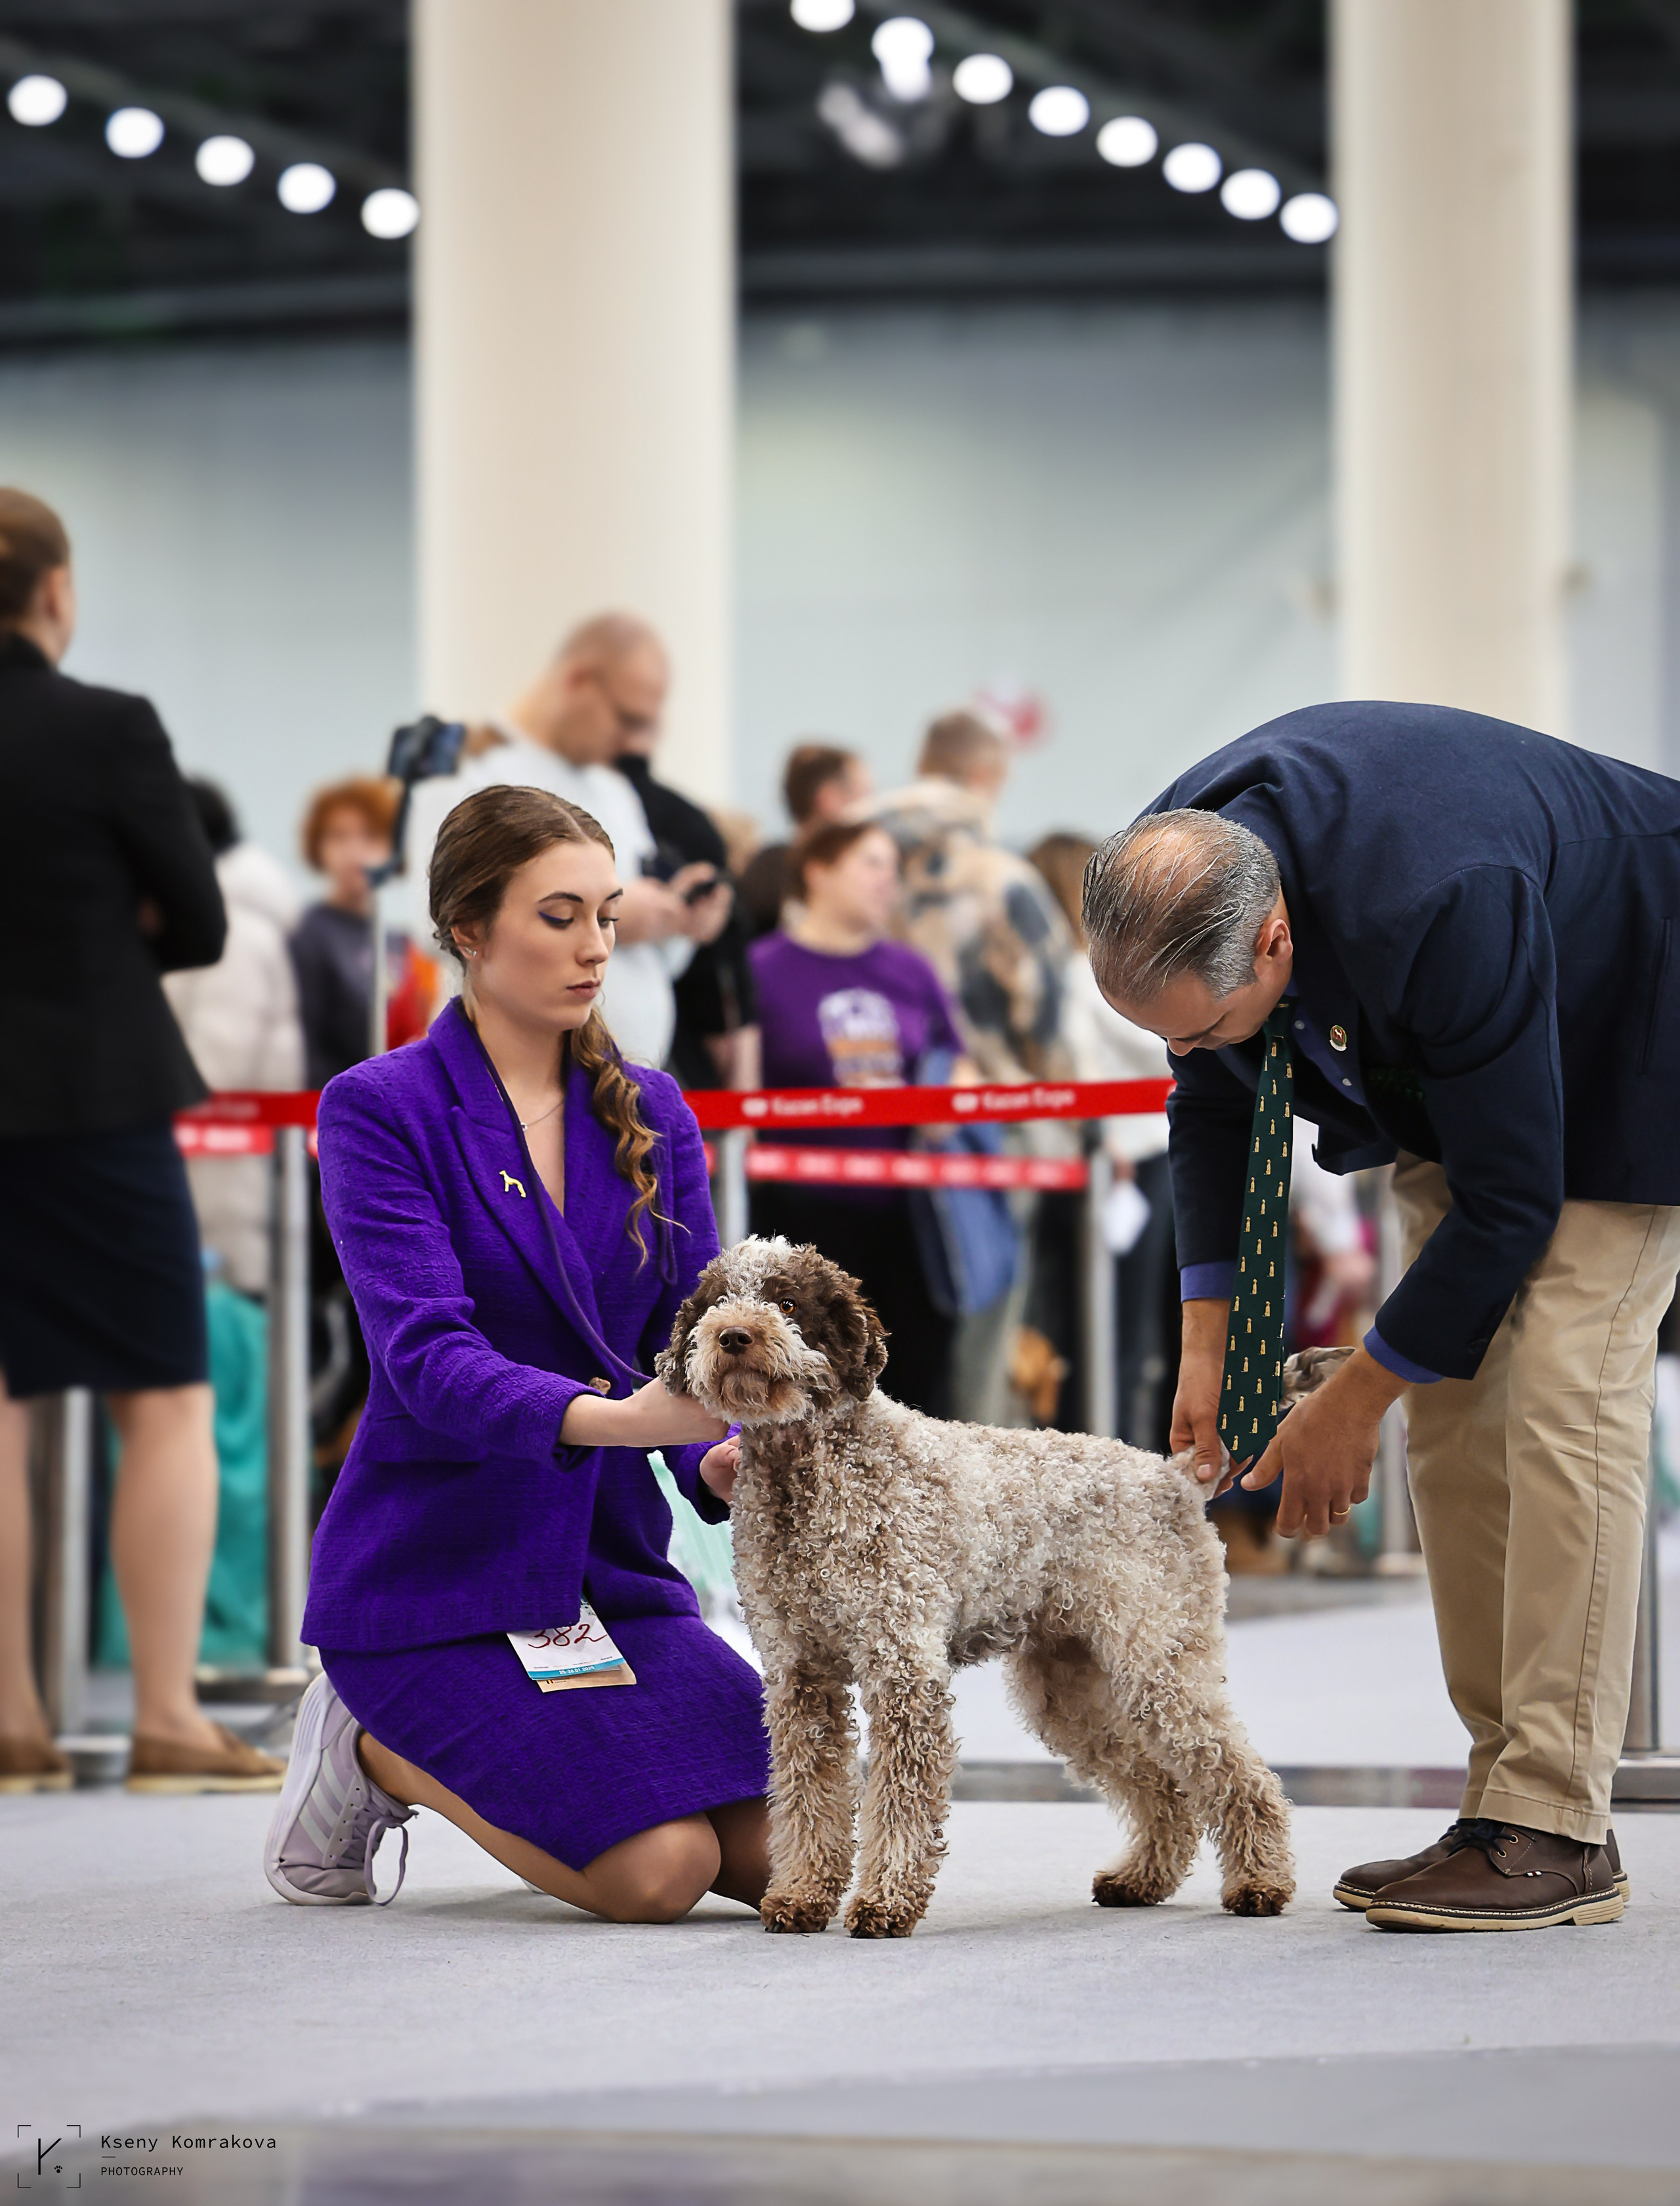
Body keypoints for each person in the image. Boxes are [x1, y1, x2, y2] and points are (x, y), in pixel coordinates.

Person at [1082, 700, 1680, 1932]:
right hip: (1453, 1049)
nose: (1185, 1049)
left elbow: (1512, 1205)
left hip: (1640, 1006)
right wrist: (1212, 1337)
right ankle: (1501, 1805)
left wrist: (1351, 1402)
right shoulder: (1178, 867)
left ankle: (1558, 1821)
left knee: (1563, 1387)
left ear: (1277, 941)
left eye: (1203, 1022)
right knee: (1454, 1411)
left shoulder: (1438, 893)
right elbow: (1205, 1097)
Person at [264, 784, 770, 1921]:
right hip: (434, 1582)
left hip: (613, 1575)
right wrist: (624, 1424)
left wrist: (715, 1457)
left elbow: (680, 1341)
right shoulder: (378, 1108)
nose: (595, 947)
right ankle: (367, 1745)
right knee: (660, 1875)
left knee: (801, 1862)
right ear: (467, 930)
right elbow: (425, 1358)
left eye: (608, 914)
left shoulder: (655, 1108)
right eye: (559, 916)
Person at [0, 486, 283, 1795]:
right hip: (91, 1095)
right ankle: (167, 1713)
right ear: (55, 593)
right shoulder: (109, 726)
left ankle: (10, 1719)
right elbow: (205, 923)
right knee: (163, 1397)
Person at [404, 614, 732, 1071]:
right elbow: (431, 919)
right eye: (626, 718)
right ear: (578, 681)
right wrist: (603, 916)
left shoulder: (613, 788)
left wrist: (675, 923)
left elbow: (650, 959)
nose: (634, 741)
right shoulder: (469, 769)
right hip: (512, 1076)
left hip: (626, 1080)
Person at [868, 712, 1076, 1424]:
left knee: (887, 1325)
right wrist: (1068, 1120)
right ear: (986, 776)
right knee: (987, 1321)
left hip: (873, 1127)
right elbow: (1045, 1013)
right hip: (994, 1124)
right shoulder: (1003, 881)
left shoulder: (857, 868)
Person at [748, 820, 973, 1418]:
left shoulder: (910, 969)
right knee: (811, 1390)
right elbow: (737, 1086)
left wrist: (945, 1104)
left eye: (893, 869)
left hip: (909, 1213)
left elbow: (958, 1059)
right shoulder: (763, 969)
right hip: (799, 1211)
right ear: (818, 871)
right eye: (872, 864)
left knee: (917, 1383)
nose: (888, 882)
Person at [1027, 833, 1175, 1446]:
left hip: (1099, 1160)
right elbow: (1093, 1062)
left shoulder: (1063, 974)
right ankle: (1109, 1461)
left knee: (1093, 1326)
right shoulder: (1086, 975)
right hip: (1122, 1160)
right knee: (1117, 1331)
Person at [165, 780, 304, 1296]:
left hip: (219, 1180)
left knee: (215, 1343)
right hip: (213, 1172)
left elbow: (216, 1063)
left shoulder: (231, 929)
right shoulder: (221, 916)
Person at [614, 711, 758, 1092]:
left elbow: (718, 957)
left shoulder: (671, 817)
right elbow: (721, 972)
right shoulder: (684, 819)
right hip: (665, 1051)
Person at [737, 742, 873, 941]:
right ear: (830, 799)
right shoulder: (776, 871)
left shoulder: (768, 866)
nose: (873, 812)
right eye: (866, 795)